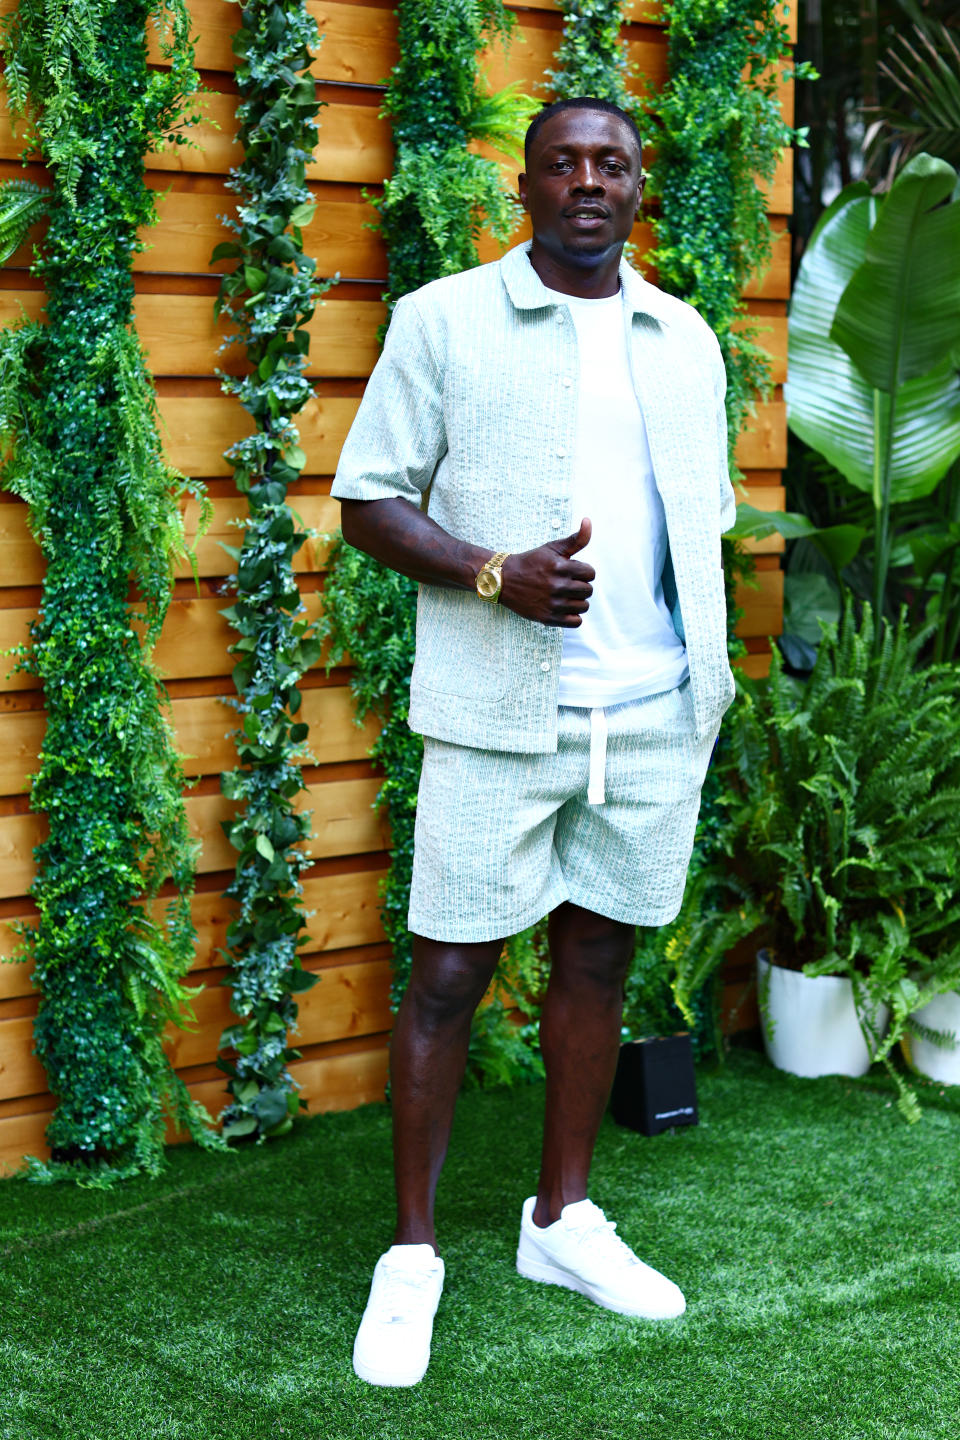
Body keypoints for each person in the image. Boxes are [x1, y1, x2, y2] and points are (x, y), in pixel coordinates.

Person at [332, 95, 737, 1388]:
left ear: (637, 187)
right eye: (562, 162)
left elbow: (701, 520)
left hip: (650, 715)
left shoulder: (685, 338)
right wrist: (493, 572)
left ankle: (561, 1220)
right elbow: (368, 503)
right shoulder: (445, 320)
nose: (587, 182)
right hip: (501, 720)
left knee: (599, 963)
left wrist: (691, 677)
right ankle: (411, 1255)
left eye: (610, 164)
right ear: (525, 185)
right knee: (448, 977)